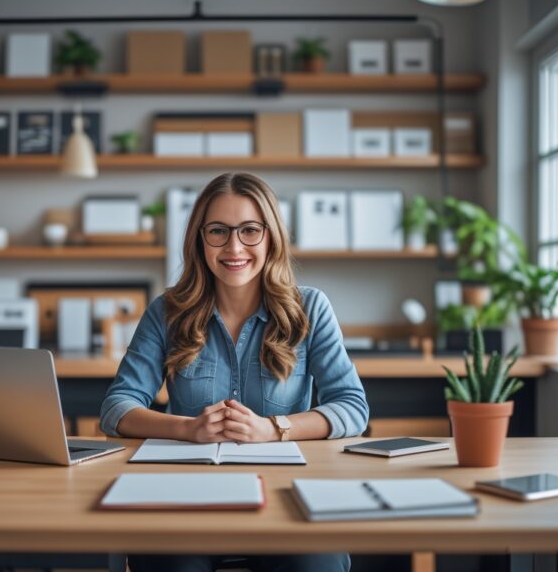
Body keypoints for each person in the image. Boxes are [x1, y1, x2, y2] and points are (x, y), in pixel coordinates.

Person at [100, 172, 369, 572]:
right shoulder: (167, 311)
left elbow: (352, 408)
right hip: (186, 501)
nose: (234, 246)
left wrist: (274, 428)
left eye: (249, 230)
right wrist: (187, 429)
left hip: (287, 499)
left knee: (316, 562)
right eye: (218, 231)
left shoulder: (309, 308)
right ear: (200, 238)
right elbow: (117, 408)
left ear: (271, 236)